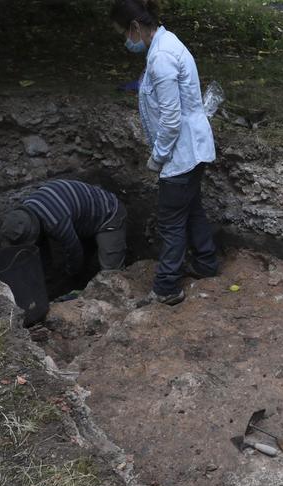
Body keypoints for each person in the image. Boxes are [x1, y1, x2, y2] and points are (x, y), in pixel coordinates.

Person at [111, 0, 218, 306]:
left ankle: (167, 287)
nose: (125, 41)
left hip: (180, 154)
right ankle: (206, 264)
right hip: (191, 150)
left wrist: (157, 157)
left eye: (123, 33)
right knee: (192, 208)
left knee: (170, 223)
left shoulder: (162, 58)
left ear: (134, 27)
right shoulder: (166, 43)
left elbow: (170, 120)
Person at [1, 179, 127, 291]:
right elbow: (40, 247)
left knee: (111, 276)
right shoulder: (28, 211)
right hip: (84, 218)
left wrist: (70, 278)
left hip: (108, 215)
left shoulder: (56, 222)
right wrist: (45, 277)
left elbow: (74, 251)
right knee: (83, 258)